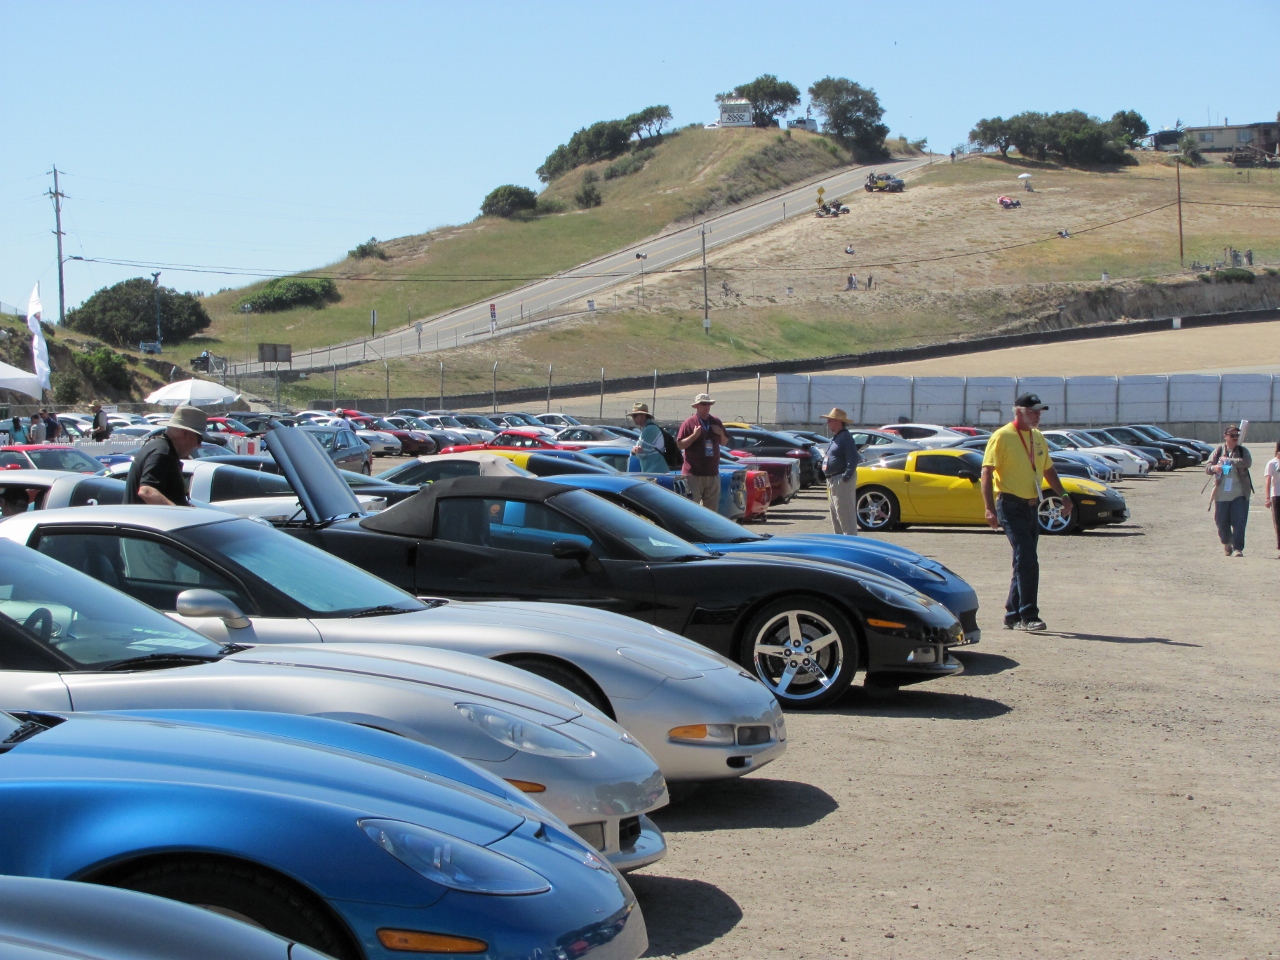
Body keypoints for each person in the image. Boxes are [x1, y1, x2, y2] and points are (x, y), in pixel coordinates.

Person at [980, 393, 1072, 632]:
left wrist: (1063, 495)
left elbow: (1048, 469)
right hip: (1010, 506)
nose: (1038, 415)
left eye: (1040, 411)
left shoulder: (1038, 437)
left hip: (1032, 506)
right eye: (1033, 411)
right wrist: (989, 509)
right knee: (1028, 560)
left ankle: (1012, 614)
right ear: (1018, 411)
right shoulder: (1001, 437)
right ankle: (1028, 616)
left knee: (1023, 561)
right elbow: (987, 473)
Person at [124, 405, 207, 506]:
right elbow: (146, 491)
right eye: (199, 439)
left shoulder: (162, 448)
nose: (199, 445)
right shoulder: (162, 452)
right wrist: (181, 513)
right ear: (184, 433)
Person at [676, 393, 729, 512]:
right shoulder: (689, 423)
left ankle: (708, 531)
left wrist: (720, 433)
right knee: (692, 509)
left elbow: (724, 442)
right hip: (693, 474)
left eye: (709, 404)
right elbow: (680, 445)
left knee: (712, 510)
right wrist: (694, 436)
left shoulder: (715, 421)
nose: (707, 406)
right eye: (703, 404)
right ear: (696, 406)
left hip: (712, 473)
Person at [1205, 424, 1252, 556]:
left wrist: (1230, 460)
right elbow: (1207, 467)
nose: (1235, 438)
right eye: (1232, 435)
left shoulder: (1242, 451)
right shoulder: (1218, 451)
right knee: (1221, 523)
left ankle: (1238, 548)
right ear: (1225, 436)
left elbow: (1247, 462)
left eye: (1237, 435)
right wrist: (1214, 468)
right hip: (1221, 494)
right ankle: (1227, 542)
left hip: (1240, 494)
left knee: (1239, 523)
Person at [820, 408, 859, 535]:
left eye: (830, 420)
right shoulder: (837, 438)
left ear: (838, 422)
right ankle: (840, 544)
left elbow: (853, 458)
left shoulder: (846, 437)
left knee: (846, 517)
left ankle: (851, 546)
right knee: (836, 517)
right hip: (832, 480)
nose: (828, 423)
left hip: (840, 480)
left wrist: (845, 477)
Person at [628, 403, 668, 474]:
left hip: (655, 474)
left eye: (635, 416)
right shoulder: (649, 428)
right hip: (656, 472)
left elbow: (641, 454)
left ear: (643, 416)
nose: (633, 418)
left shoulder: (649, 429)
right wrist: (635, 450)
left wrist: (634, 451)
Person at [1264, 441, 1280, 555]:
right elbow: (1268, 481)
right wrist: (1267, 498)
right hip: (1276, 495)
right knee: (1278, 523)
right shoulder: (1272, 463)